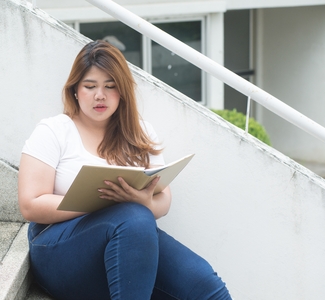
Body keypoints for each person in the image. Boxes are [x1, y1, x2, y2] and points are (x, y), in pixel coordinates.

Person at [18, 40, 232, 300]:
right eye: (90, 86)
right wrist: (101, 202)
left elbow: (163, 197)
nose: (100, 95)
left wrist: (144, 203)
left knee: (206, 287)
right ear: (75, 90)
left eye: (110, 87)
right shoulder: (54, 130)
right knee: (133, 217)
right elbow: (30, 205)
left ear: (122, 92)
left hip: (130, 237)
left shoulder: (139, 133)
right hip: (58, 247)